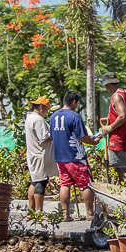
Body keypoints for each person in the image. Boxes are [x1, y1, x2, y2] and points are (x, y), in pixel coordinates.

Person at [51, 91, 101, 221]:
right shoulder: (74, 116)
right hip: (75, 157)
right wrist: (93, 141)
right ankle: (90, 214)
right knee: (86, 184)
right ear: (73, 102)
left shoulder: (53, 116)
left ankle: (65, 215)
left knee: (65, 184)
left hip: (60, 157)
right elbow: (83, 137)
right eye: (76, 103)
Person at [97, 72, 126, 186]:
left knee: (121, 169)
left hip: (119, 139)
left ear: (108, 84)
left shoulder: (117, 96)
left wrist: (110, 127)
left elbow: (123, 116)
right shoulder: (125, 93)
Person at [23, 96, 58, 211]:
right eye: (46, 110)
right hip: (40, 155)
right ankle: (39, 211)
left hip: (33, 153)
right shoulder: (38, 120)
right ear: (41, 107)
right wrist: (55, 136)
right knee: (41, 182)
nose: (46, 113)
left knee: (34, 181)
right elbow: (44, 138)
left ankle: (31, 210)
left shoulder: (29, 118)